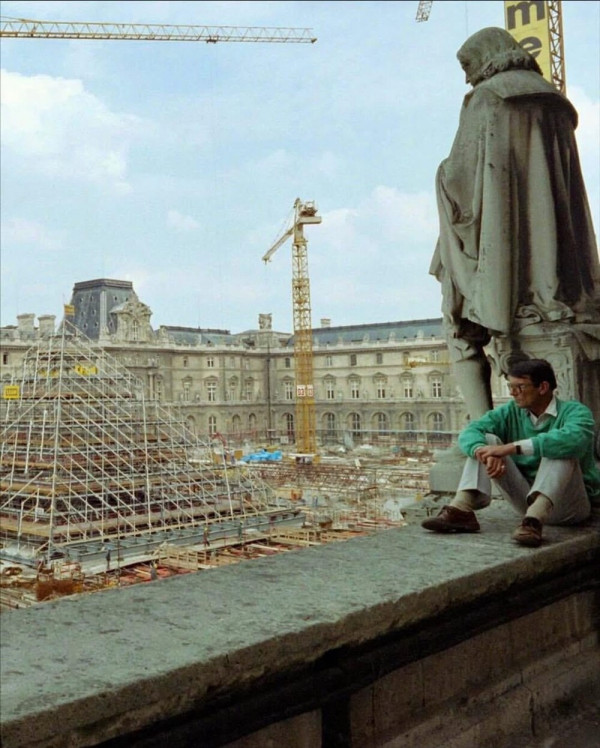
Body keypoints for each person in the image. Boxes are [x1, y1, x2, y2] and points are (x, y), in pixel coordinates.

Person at [430, 27, 600, 420]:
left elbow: (461, 177)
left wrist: (440, 174)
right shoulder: (556, 102)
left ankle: (481, 427)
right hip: (566, 270)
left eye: (468, 67)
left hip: (504, 250)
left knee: (457, 318)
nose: (468, 78)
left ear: (486, 57)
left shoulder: (488, 97)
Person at [422, 359, 600, 547]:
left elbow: (574, 440)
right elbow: (471, 430)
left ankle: (534, 521)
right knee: (486, 441)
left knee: (560, 448)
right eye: (510, 387)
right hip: (525, 504)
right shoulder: (510, 411)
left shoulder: (575, 412)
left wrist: (510, 448)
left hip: (569, 506)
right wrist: (484, 452)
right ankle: (461, 509)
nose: (512, 393)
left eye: (520, 387)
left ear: (543, 387)